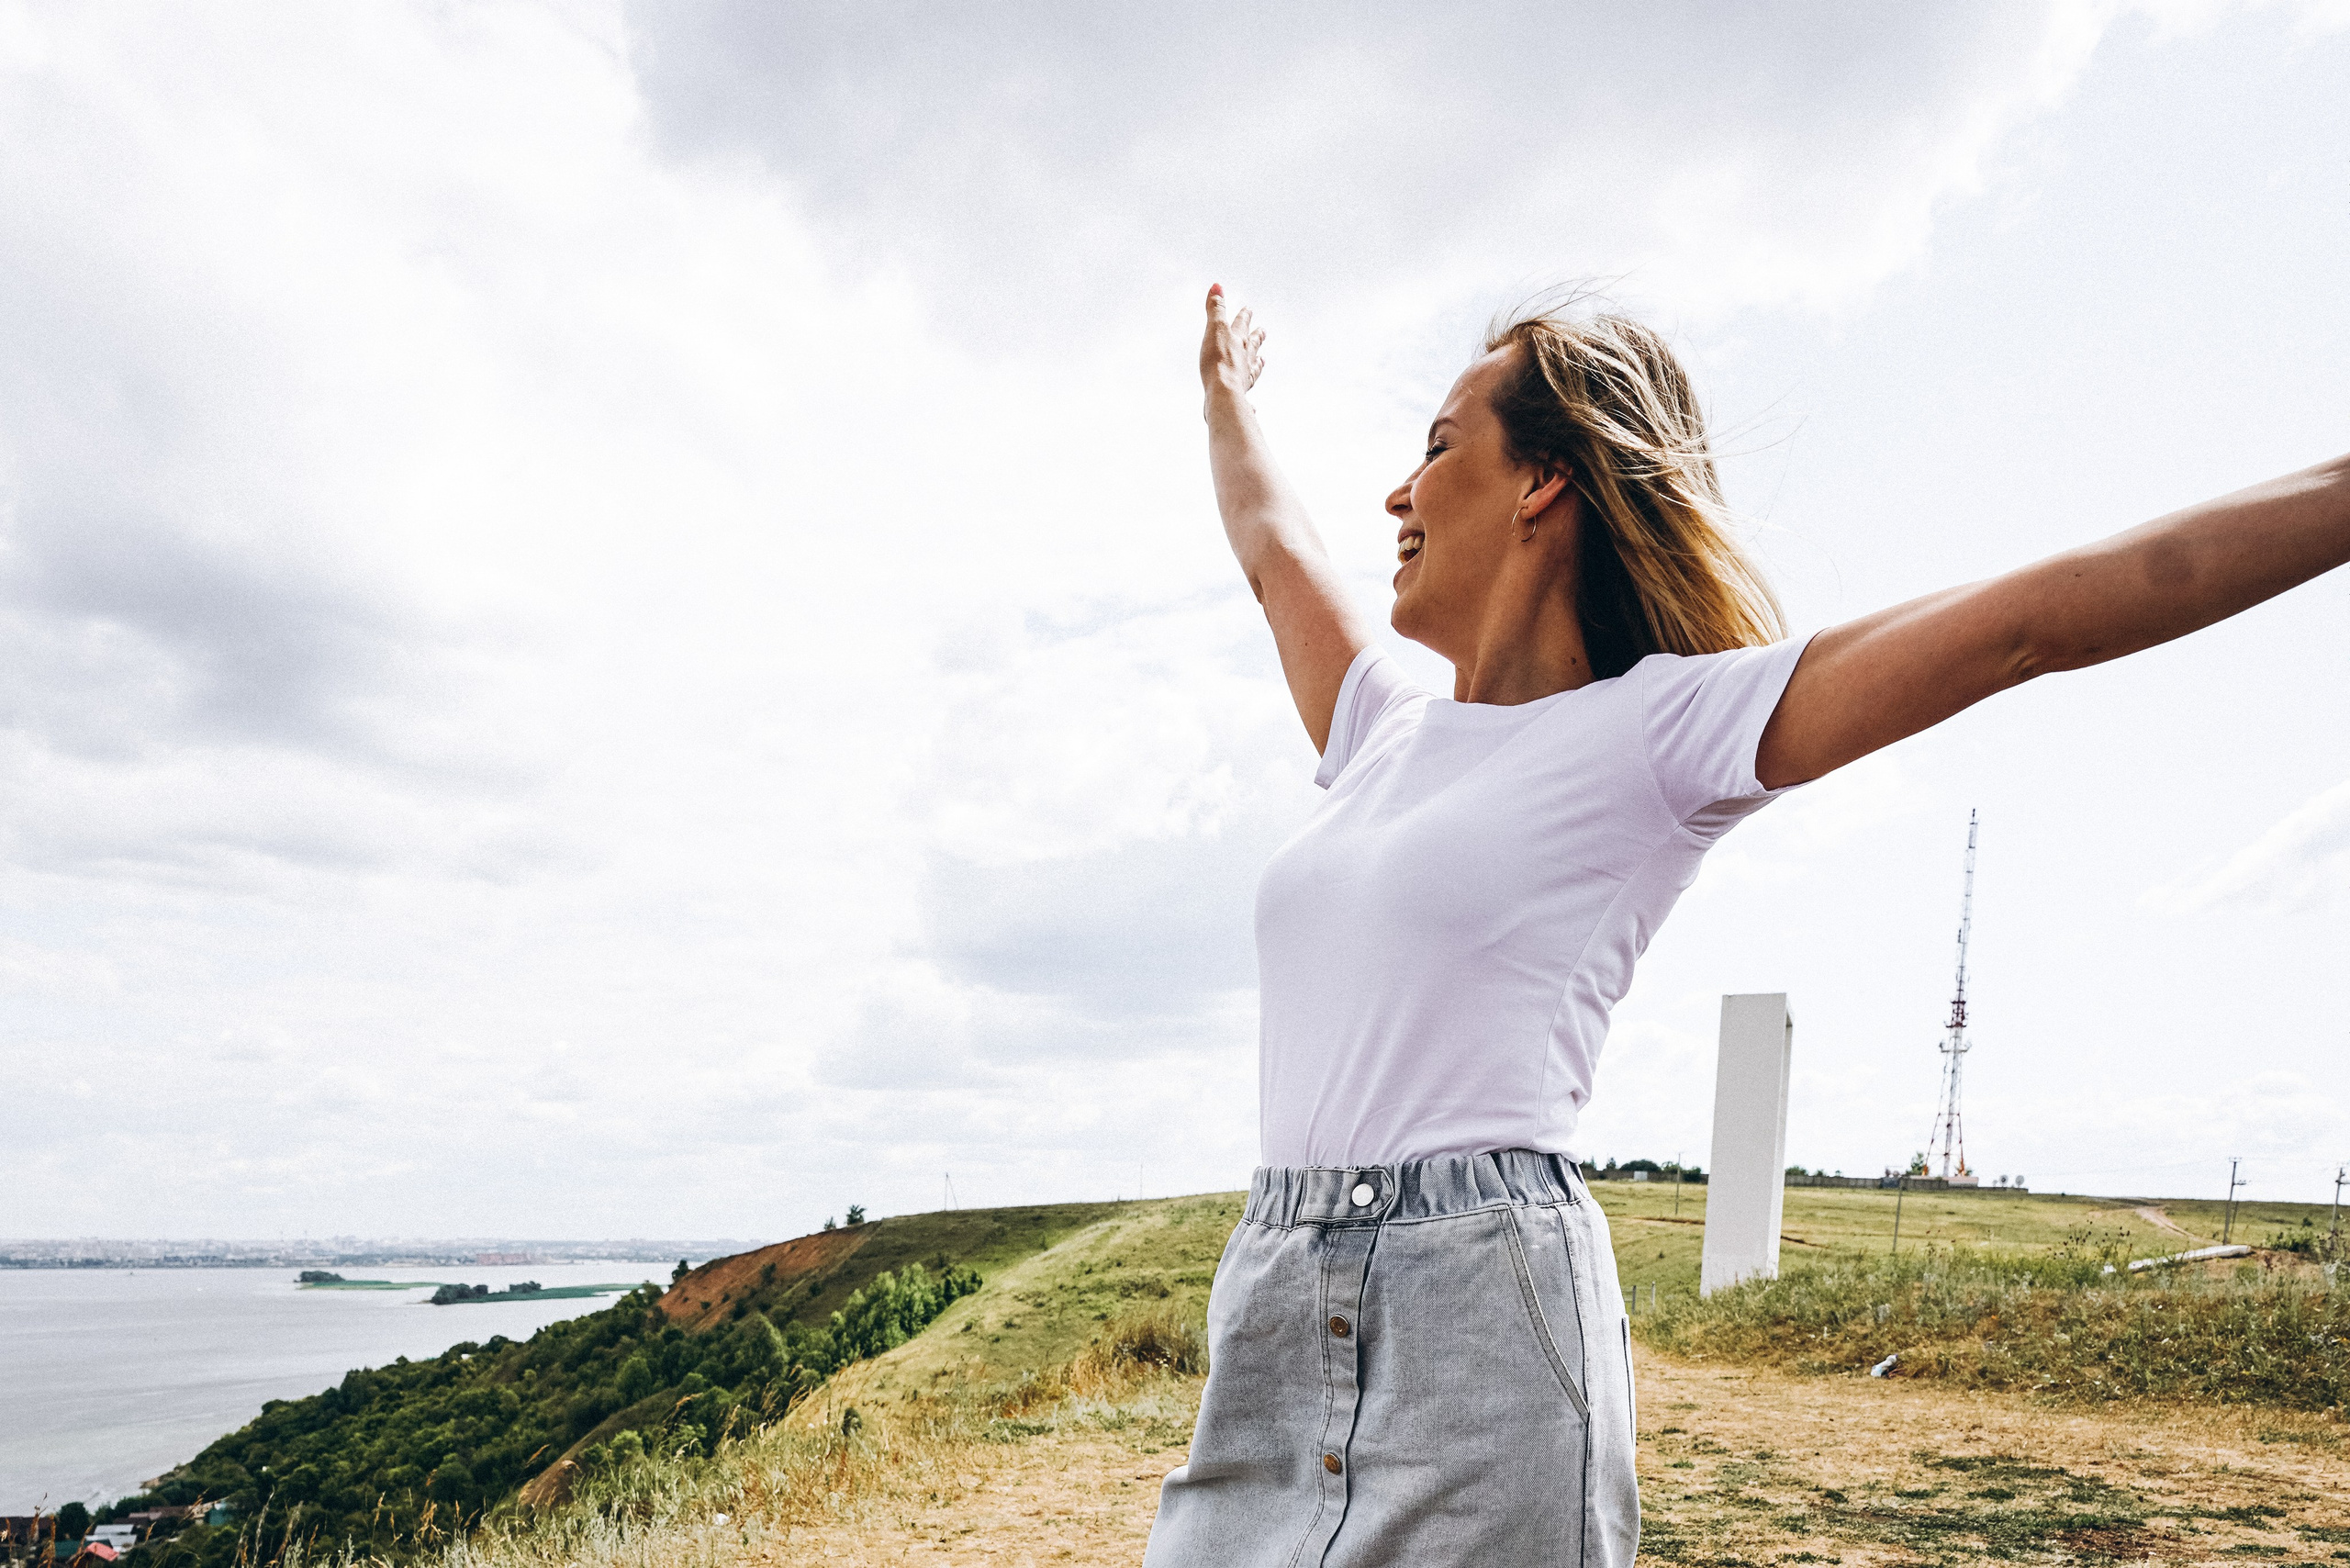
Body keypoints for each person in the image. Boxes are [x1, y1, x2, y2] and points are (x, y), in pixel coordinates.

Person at [1143, 284, 2350, 1568]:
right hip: (1275, 1298)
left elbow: (2029, 622)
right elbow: (1273, 545)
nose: (1397, 496)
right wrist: (1226, 392)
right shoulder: (1376, 728)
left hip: (1480, 1317)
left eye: (1438, 448)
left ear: (1544, 482)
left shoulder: (1663, 729)